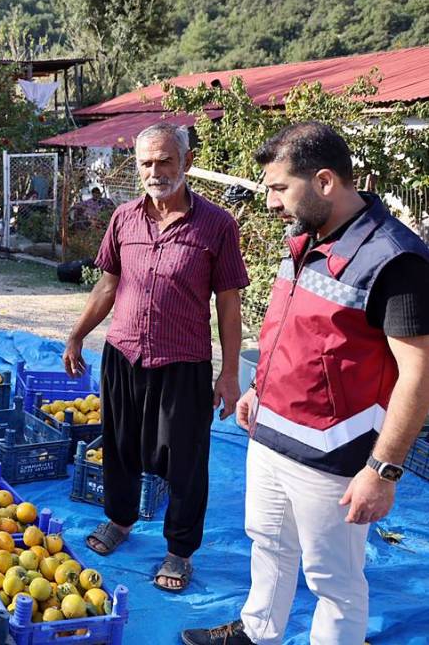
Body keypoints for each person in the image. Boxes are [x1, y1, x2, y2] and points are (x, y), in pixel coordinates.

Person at [182, 122, 429, 645]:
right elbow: (293, 331)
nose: (271, 202)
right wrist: (257, 389)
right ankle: (257, 631)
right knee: (267, 542)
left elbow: (419, 375)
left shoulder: (396, 260)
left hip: (334, 458)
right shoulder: (305, 238)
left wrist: (382, 471)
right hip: (270, 436)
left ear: (322, 182)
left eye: (278, 188)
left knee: (333, 581)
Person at [62, 122, 249, 592]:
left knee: (185, 460)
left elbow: (228, 304)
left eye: (165, 160)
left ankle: (179, 551)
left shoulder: (217, 225)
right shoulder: (124, 218)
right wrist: (77, 335)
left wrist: (229, 373)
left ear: (185, 162)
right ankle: (120, 522)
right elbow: (107, 285)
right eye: (146, 162)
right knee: (120, 447)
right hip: (123, 354)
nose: (155, 170)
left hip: (182, 362)